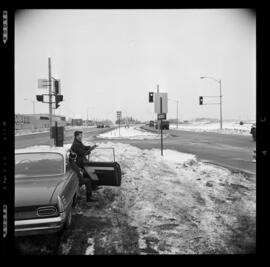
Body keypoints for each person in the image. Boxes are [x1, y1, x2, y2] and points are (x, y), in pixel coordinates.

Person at [69, 131, 98, 205]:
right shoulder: (76, 144)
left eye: (82, 135)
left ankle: (93, 186)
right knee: (91, 171)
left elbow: (83, 147)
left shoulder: (79, 142)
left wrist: (89, 147)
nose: (81, 136)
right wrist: (88, 152)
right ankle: (90, 193)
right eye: (80, 135)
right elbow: (82, 153)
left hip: (82, 161)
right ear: (76, 136)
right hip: (80, 163)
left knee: (91, 171)